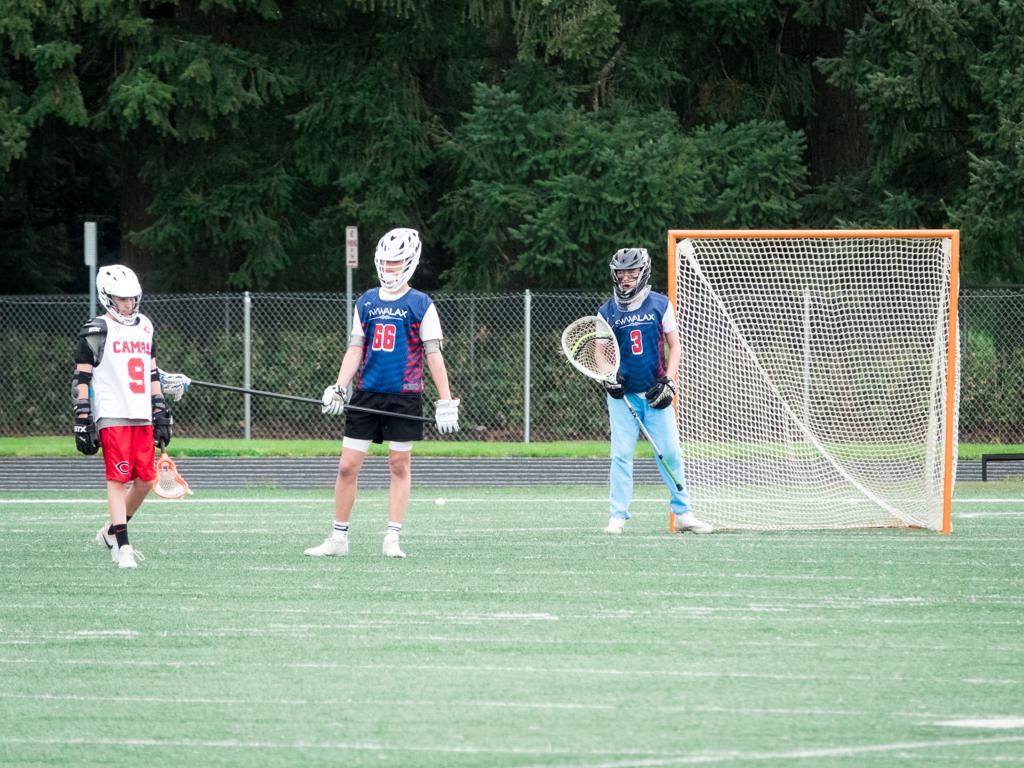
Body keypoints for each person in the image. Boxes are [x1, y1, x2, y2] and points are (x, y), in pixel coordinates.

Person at [306, 228, 459, 559]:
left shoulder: (421, 304)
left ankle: (392, 537)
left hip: (404, 396)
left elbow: (434, 355)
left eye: (396, 262)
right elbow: (355, 349)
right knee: (347, 466)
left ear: (410, 263)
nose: (389, 268)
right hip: (367, 394)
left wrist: (445, 399)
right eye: (385, 262)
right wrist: (339, 386)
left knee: (399, 464)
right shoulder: (366, 301)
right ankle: (338, 538)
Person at [598, 247, 712, 535]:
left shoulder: (660, 304)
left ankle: (683, 513)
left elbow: (675, 346)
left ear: (643, 272)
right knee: (621, 454)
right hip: (623, 397)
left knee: (670, 452)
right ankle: (618, 516)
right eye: (621, 273)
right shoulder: (607, 311)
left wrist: (669, 381)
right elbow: (600, 351)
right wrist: (608, 376)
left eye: (632, 272)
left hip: (655, 392)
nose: (626, 278)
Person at [73, 264, 173, 569]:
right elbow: (81, 378)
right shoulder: (96, 329)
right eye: (122, 298)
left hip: (141, 413)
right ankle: (123, 545)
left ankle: (110, 532)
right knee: (117, 478)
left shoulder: (146, 326)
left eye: (132, 298)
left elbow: (151, 372)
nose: (128, 303)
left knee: (146, 480)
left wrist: (159, 408)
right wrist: (82, 416)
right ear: (107, 297)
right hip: (113, 413)